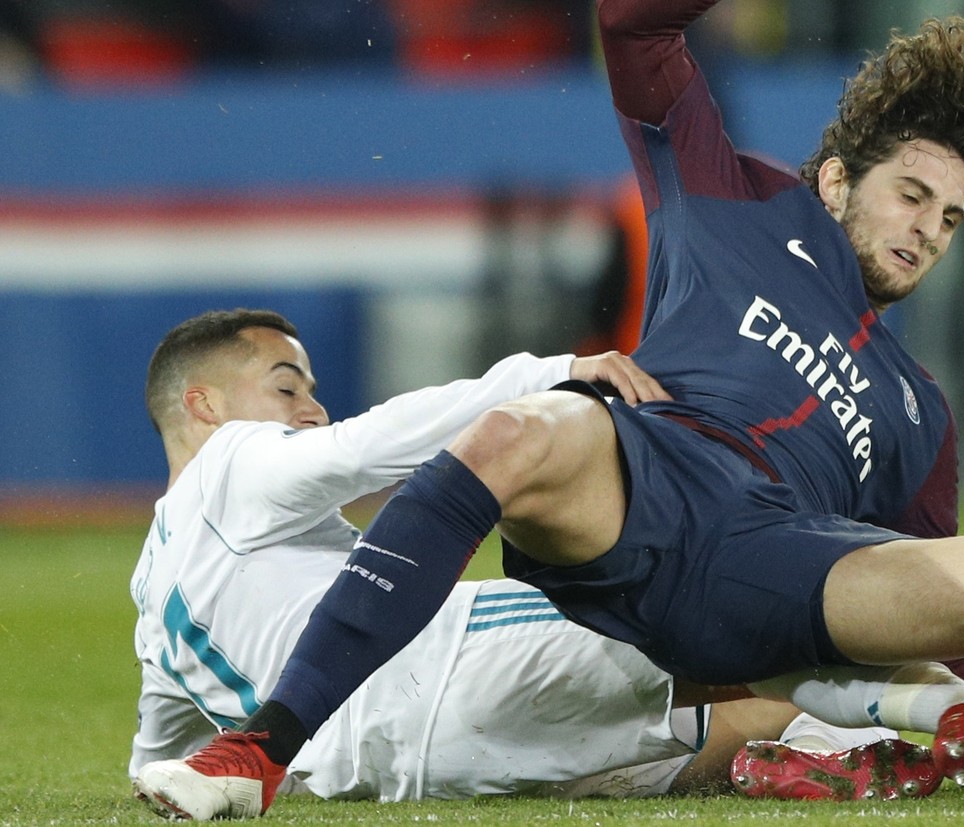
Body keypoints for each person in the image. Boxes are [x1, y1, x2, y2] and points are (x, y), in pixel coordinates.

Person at [136, 1, 964, 817]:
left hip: (766, 563)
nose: (930, 232)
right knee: (520, 428)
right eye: (913, 196)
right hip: (641, 469)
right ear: (836, 175)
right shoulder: (738, 198)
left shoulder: (920, 410)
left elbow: (938, 629)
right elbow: (637, 35)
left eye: (954, 219)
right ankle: (262, 748)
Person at [128, 308, 817, 804]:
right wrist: (550, 374)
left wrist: (166, 777)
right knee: (729, 609)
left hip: (396, 775)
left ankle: (832, 735)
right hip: (449, 664)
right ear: (204, 404)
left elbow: (156, 753)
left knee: (668, 744)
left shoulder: (153, 603)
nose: (314, 408)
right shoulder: (231, 458)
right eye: (288, 386)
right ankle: (895, 691)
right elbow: (369, 444)